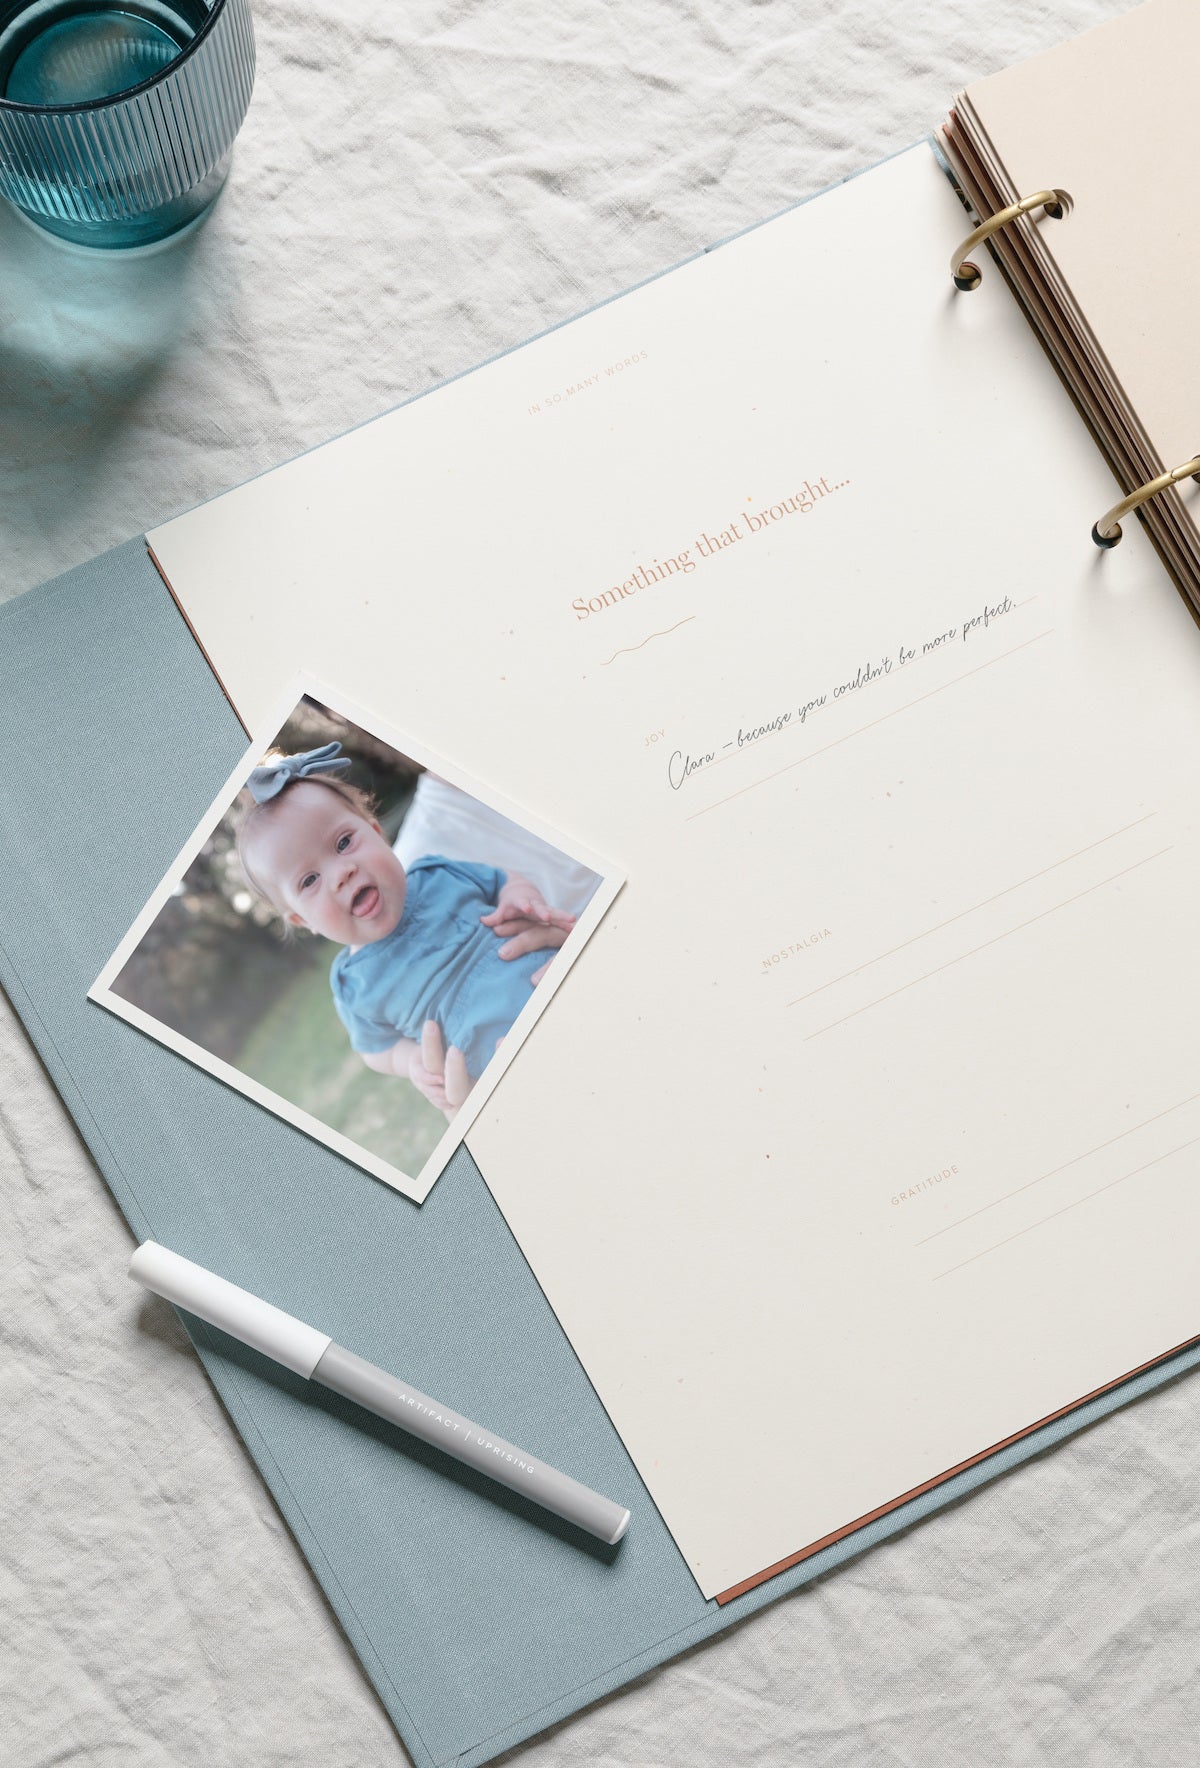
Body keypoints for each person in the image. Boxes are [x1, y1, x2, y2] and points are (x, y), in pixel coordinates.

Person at [236, 743, 577, 1117]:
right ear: (303, 921)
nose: (341, 873)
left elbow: (502, 881)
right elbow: (373, 1049)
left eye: (344, 843)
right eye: (310, 880)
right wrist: (410, 1060)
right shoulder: (355, 987)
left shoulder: (437, 873)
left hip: (559, 994)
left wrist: (521, 898)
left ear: (377, 832)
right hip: (505, 1077)